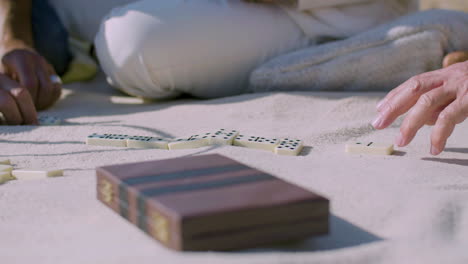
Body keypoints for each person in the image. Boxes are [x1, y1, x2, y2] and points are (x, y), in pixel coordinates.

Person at [0, 0, 466, 156]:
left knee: (131, 45)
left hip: (329, 10)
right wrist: (11, 36)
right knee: (58, 22)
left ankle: (374, 46)